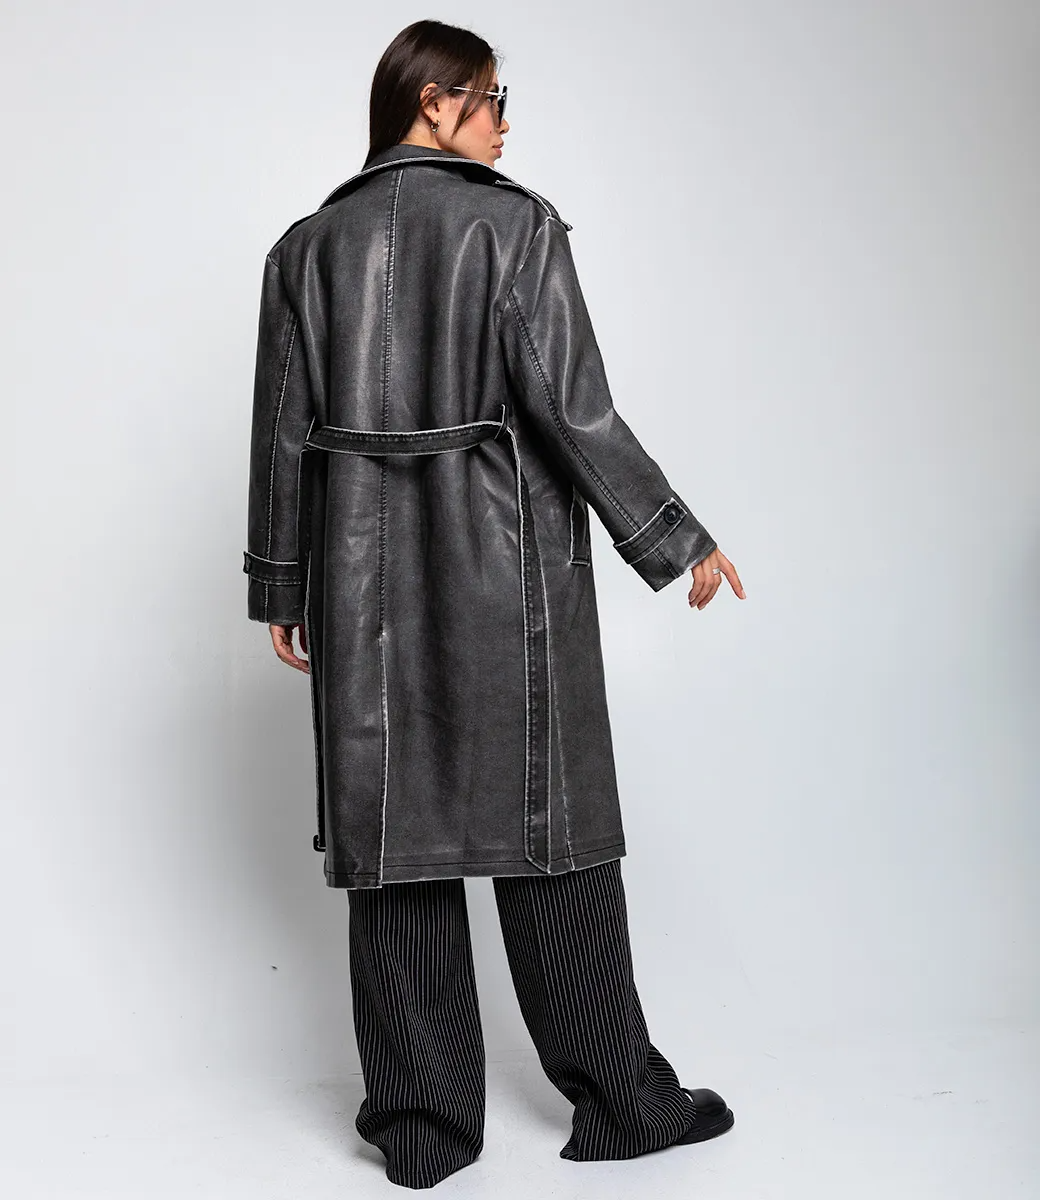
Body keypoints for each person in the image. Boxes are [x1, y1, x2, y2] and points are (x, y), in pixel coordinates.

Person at [242, 17, 746, 1190]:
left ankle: (422, 1132)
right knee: (550, 831)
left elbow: (281, 436)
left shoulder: (305, 248)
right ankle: (621, 1104)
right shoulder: (513, 226)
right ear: (434, 101)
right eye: (491, 99)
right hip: (506, 568)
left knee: (393, 841)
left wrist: (283, 581)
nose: (505, 124)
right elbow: (572, 410)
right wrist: (675, 535)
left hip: (355, 575)